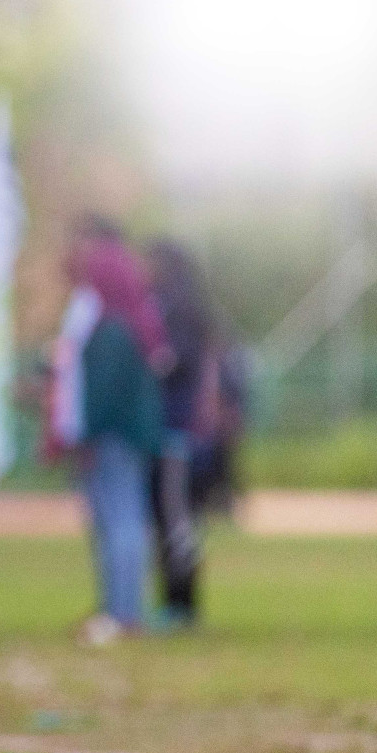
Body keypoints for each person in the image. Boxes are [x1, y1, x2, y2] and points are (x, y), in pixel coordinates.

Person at [48, 216, 164, 646]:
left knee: (122, 518)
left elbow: (108, 388)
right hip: (118, 432)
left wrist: (90, 432)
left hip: (114, 433)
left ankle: (125, 612)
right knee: (115, 518)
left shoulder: (112, 324)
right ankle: (116, 608)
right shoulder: (117, 317)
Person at [145, 240, 216, 628]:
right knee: (170, 521)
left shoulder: (182, 310)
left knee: (177, 521)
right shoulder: (168, 306)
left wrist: (150, 367)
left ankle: (183, 606)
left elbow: (181, 364)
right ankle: (174, 601)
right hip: (168, 429)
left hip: (177, 430)